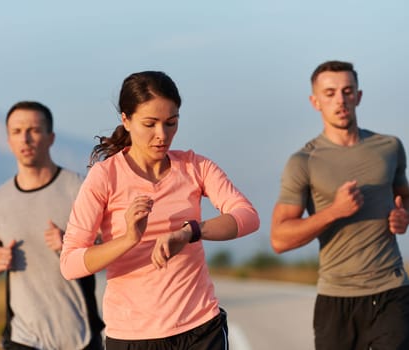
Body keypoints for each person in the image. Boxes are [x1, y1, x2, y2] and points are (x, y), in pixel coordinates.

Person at [60, 71, 260, 350]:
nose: (161, 135)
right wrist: (129, 239)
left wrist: (190, 232)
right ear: (126, 120)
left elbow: (248, 217)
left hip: (200, 327)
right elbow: (70, 264)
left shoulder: (195, 167)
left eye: (171, 123)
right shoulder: (105, 177)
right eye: (149, 124)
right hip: (133, 336)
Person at [270, 60, 409, 349]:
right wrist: (335, 211)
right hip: (337, 298)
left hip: (391, 290)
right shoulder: (303, 162)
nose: (340, 100)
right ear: (315, 101)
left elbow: (404, 196)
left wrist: (404, 216)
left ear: (358, 96)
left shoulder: (389, 147)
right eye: (330, 93)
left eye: (347, 91)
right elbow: (279, 239)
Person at [0, 101, 105, 350]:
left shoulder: (80, 189)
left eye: (34, 130)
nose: (25, 139)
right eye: (16, 132)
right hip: (22, 337)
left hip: (78, 336)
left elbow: (111, 239)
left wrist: (74, 242)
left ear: (51, 137)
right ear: (8, 140)